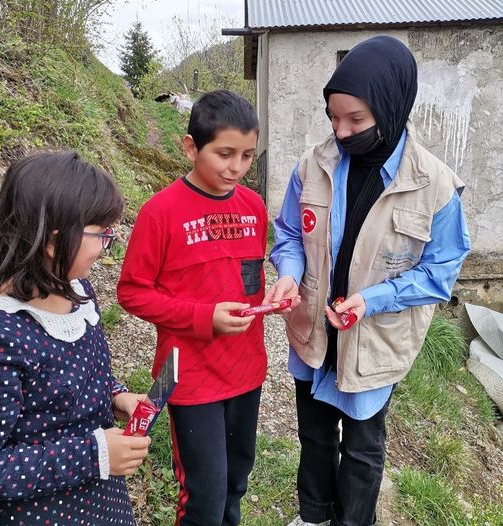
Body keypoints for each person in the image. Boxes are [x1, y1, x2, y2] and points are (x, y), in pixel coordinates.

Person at [264, 36, 471, 526]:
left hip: (374, 336)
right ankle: (313, 515)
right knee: (313, 434)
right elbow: (290, 234)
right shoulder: (312, 165)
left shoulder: (436, 187)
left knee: (361, 446)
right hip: (312, 326)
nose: (341, 131)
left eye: (355, 120)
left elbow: (439, 275)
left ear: (392, 104)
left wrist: (372, 299)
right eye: (334, 118)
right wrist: (290, 275)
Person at [117, 90, 275, 526]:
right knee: (203, 494)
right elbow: (132, 291)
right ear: (191, 147)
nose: (236, 168)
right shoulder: (160, 213)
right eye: (224, 154)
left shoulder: (254, 207)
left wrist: (273, 299)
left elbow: (249, 280)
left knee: (235, 481)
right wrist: (204, 318)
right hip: (188, 374)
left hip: (246, 370)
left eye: (247, 156)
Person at [0, 151, 151, 526]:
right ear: (55, 241)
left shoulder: (78, 291)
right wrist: (95, 454)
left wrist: (116, 395)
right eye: (102, 234)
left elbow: (85, 374)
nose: (108, 247)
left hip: (105, 500)